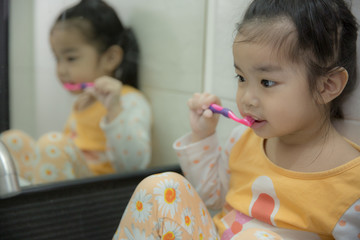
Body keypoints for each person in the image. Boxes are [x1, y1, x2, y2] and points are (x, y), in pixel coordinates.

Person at [113, 0, 360, 239]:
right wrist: (203, 136)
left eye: (267, 82)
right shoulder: (243, 139)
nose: (246, 99)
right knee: (160, 187)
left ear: (327, 85)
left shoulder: (353, 184)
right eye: (241, 78)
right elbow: (212, 198)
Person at [1, 0, 151, 184]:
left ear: (110, 58)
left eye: (71, 58)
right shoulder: (82, 102)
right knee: (12, 141)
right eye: (57, 58)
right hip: (75, 187)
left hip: (104, 194)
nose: (61, 70)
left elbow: (134, 167)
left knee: (53, 144)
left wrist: (114, 111)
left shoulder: (129, 100)